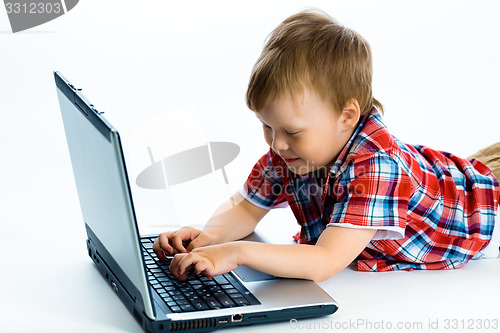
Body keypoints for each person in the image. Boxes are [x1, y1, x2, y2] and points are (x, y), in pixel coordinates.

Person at [153, 9, 500, 282]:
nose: (277, 143)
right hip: (418, 177)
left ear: (346, 116)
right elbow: (245, 208)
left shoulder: (378, 168)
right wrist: (207, 239)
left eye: (291, 131)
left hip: (474, 211)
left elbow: (324, 260)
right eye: (266, 127)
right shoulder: (288, 152)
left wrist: (236, 253)